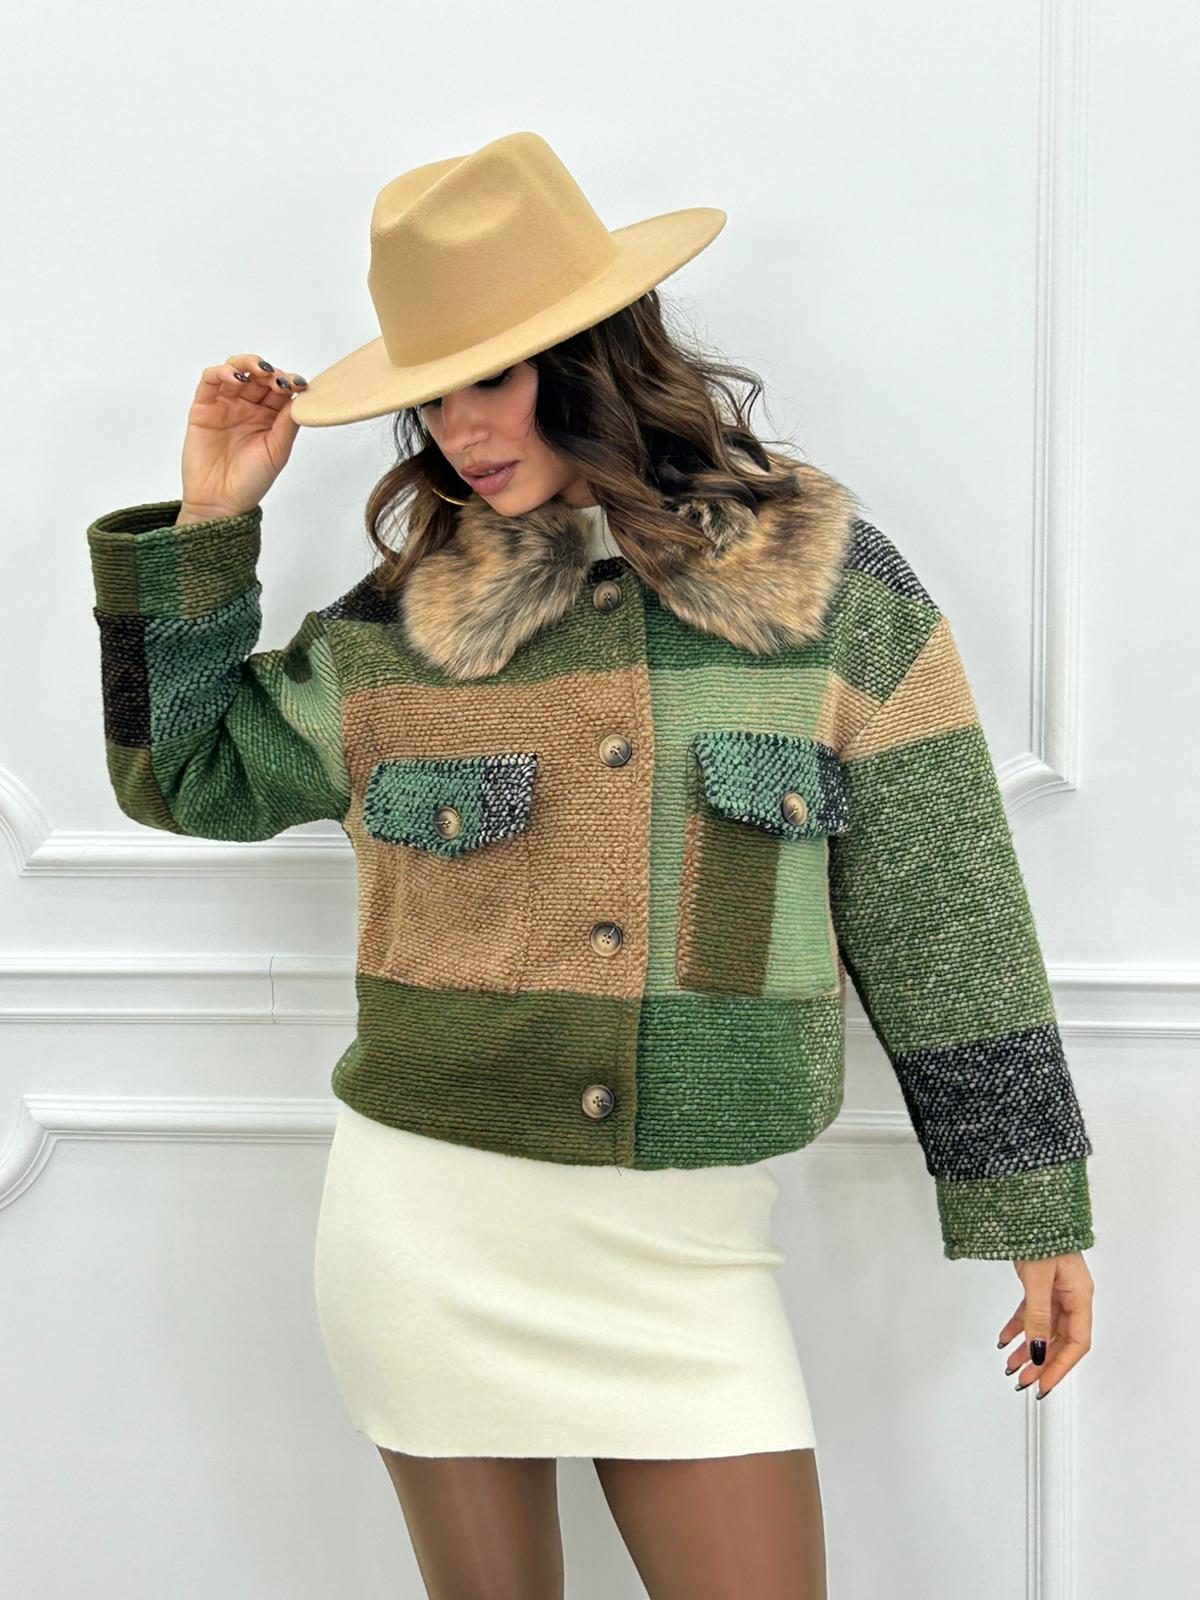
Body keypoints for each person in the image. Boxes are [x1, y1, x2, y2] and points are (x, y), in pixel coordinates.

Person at [83, 132, 1095, 1600]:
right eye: (431, 395)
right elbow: (183, 776)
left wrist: (1031, 1202)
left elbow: (944, 907)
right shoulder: (400, 631)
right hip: (429, 1231)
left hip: (692, 1257)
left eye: (491, 379)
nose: (459, 430)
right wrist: (211, 522)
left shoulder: (825, 593)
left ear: (591, 360)